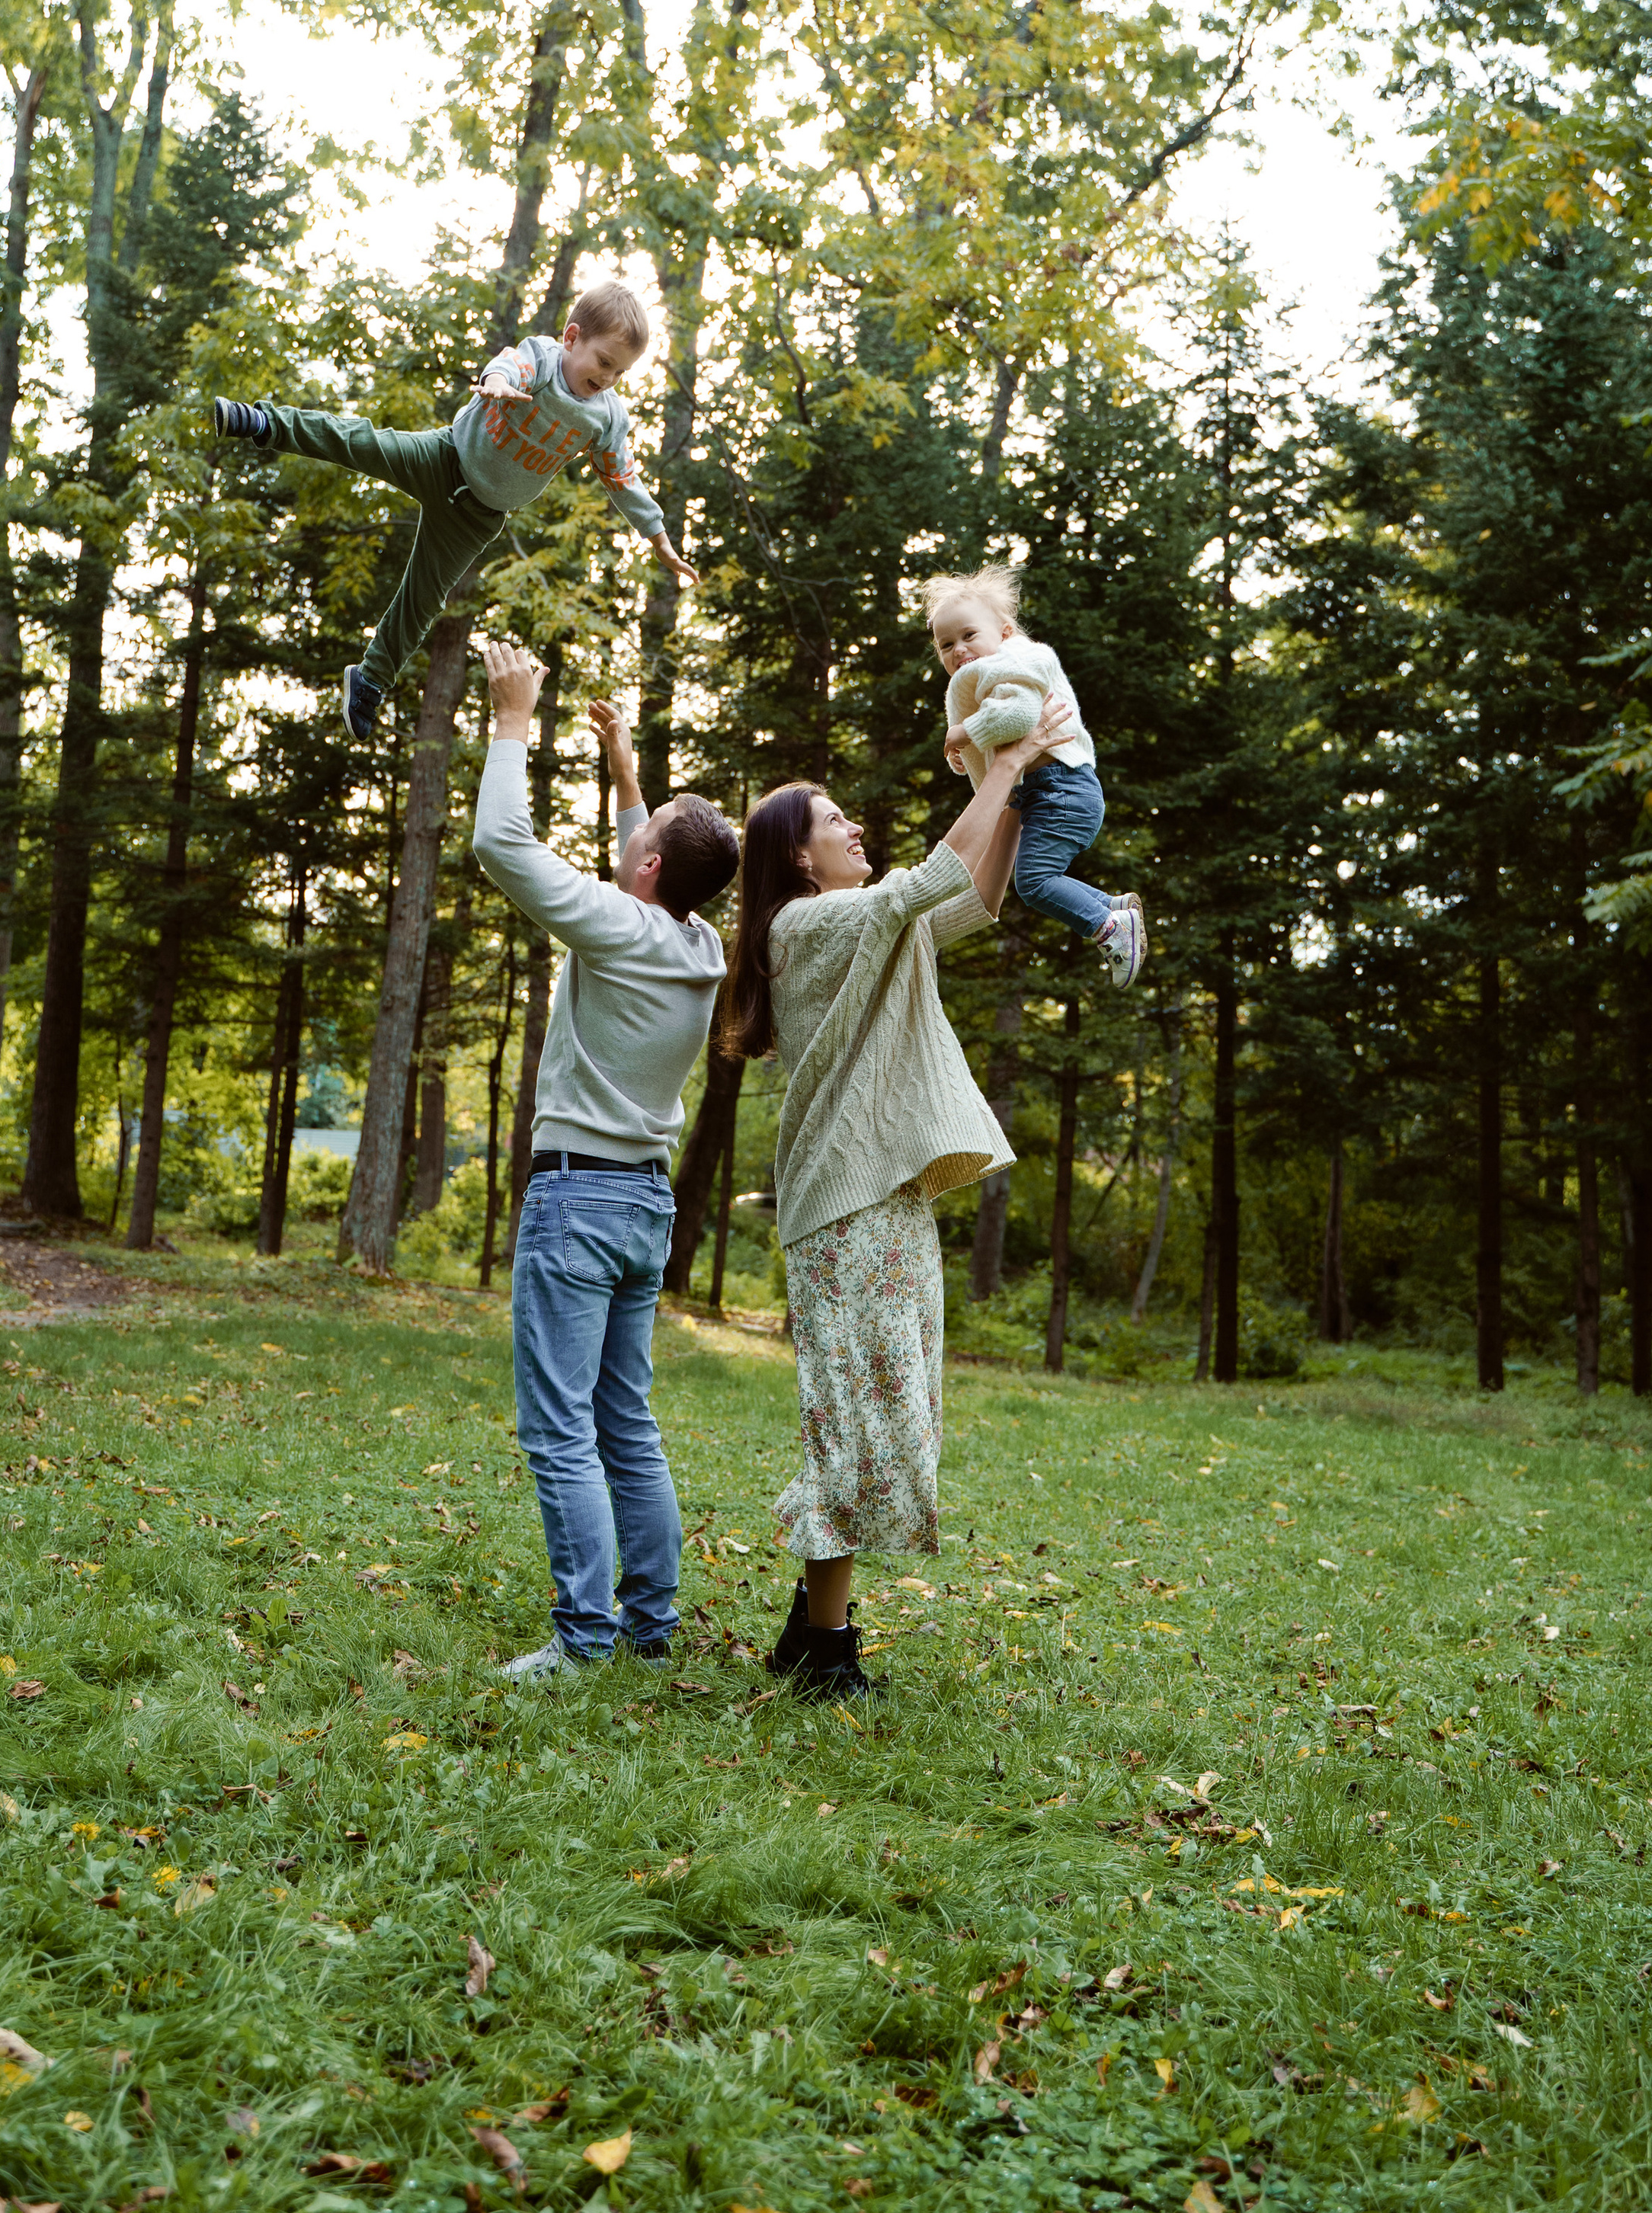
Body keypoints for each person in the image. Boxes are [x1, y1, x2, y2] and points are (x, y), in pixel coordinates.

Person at [715, 695, 1075, 1697]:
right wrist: (1001, 764)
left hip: (885, 1197)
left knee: (887, 1417)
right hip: (846, 1204)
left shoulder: (862, 922)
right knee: (856, 1427)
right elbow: (934, 877)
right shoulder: (807, 925)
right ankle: (825, 1661)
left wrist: (1007, 786)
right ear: (796, 856)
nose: (853, 827)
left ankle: (807, 1628)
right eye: (834, 820)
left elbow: (972, 895)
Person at [470, 636, 738, 1679]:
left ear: (650, 871)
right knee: (626, 1422)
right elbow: (652, 859)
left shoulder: (619, 926)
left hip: (578, 1203)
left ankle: (582, 1645)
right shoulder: (697, 944)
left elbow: (502, 843)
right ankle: (649, 1631)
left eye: (648, 828)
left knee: (561, 1432)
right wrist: (628, 773)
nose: (638, 831)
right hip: (644, 1210)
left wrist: (512, 718)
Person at [213, 280, 697, 746]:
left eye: (621, 373)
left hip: (478, 516)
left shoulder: (607, 415)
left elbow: (622, 477)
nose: (608, 379)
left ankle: (369, 679)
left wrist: (658, 539)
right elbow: (508, 366)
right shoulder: (544, 359)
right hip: (445, 460)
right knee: (361, 443)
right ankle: (262, 422)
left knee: (423, 599)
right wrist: (497, 383)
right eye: (604, 362)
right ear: (572, 338)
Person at [927, 563, 1145, 988]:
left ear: (1005, 633)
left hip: (1062, 788)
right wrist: (966, 751)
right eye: (945, 644)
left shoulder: (1022, 658)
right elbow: (1005, 739)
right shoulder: (993, 672)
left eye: (969, 635)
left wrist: (961, 732)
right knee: (1038, 880)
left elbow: (1017, 717)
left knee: (1034, 882)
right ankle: (1110, 904)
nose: (958, 650)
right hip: (1049, 792)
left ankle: (1108, 927)